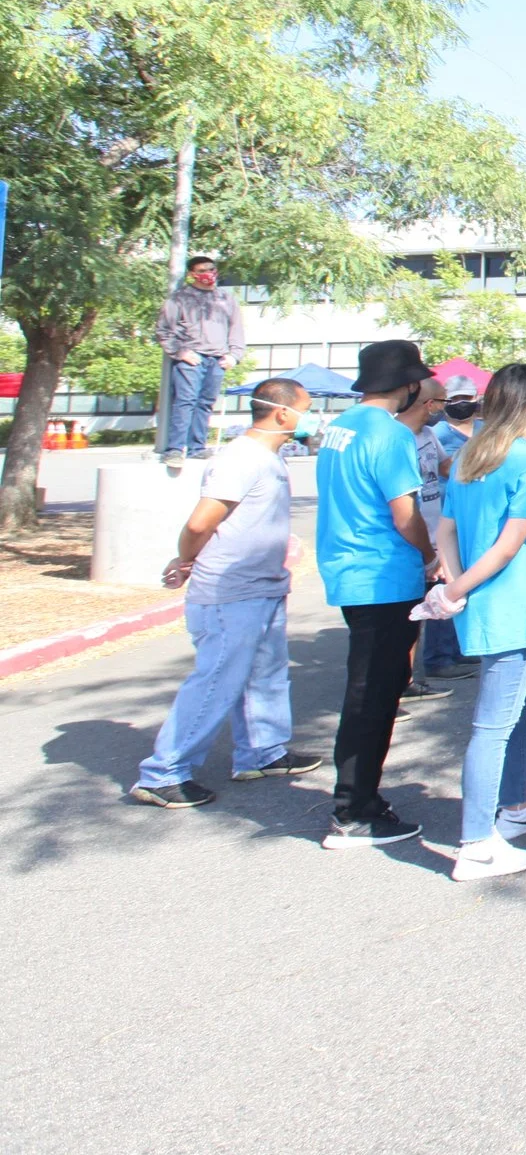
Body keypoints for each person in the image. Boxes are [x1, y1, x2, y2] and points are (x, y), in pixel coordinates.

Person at [129, 378, 326, 808]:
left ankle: (263, 751)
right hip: (230, 593)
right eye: (308, 408)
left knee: (266, 674)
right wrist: (185, 559)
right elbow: (201, 523)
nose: (313, 417)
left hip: (263, 586)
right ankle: (165, 773)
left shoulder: (268, 458)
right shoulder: (242, 459)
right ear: (282, 413)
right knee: (218, 680)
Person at [435, 363, 526, 882]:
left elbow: (445, 531)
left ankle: (515, 807)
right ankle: (475, 843)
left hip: (486, 603)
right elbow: (509, 544)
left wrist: (454, 584)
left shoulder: (470, 455)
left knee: (522, 707)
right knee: (493, 725)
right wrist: (455, 588)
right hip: (510, 606)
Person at [314, 339, 442, 848]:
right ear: (410, 385)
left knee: (371, 690)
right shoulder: (388, 435)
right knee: (374, 696)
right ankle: (354, 808)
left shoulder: (340, 426)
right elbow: (404, 513)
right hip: (383, 574)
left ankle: (360, 796)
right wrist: (430, 556)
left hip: (349, 570)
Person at [403, 378, 471, 687]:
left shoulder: (429, 435)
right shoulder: (399, 439)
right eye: (444, 401)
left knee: (445, 593)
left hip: (436, 529)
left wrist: (478, 456)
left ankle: (444, 656)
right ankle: (407, 679)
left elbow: (445, 467)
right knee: (409, 614)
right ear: (430, 405)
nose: (447, 407)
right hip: (412, 536)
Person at [155, 254, 246, 461]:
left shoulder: (225, 299)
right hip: (191, 357)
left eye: (212, 269)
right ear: (192, 274)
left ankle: (197, 448)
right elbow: (163, 330)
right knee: (185, 401)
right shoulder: (180, 298)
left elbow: (236, 329)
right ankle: (175, 449)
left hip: (217, 359)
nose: (209, 274)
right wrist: (181, 352)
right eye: (203, 270)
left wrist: (234, 355)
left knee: (206, 403)